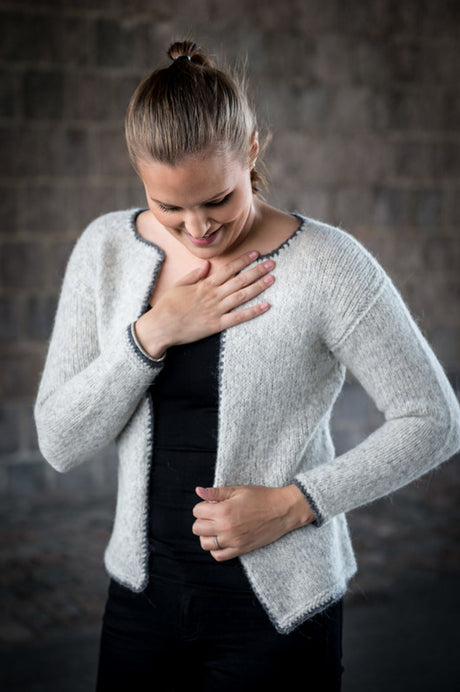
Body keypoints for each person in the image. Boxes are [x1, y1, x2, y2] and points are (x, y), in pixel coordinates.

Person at [34, 40, 460, 691]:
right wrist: (153, 333)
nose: (196, 228)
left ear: (253, 150)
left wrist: (296, 504)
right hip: (139, 608)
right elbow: (61, 442)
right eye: (168, 207)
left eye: (217, 200)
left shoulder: (329, 265)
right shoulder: (105, 251)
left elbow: (434, 419)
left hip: (279, 617)